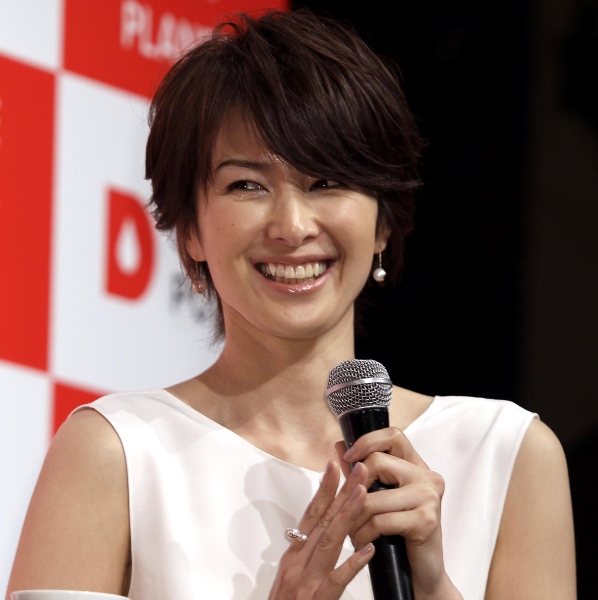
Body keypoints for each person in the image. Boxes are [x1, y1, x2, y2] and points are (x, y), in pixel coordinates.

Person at [5, 8, 575, 600]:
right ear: (191, 231)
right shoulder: (115, 454)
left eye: (327, 182)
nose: (292, 225)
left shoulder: (507, 455)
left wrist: (431, 587)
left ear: (383, 223)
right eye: (246, 185)